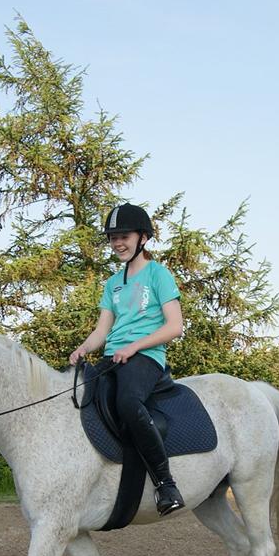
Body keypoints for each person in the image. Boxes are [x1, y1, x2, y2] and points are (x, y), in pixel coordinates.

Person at [69, 203, 186, 516]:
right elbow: (102, 331)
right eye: (113, 238)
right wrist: (83, 349)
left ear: (142, 238)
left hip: (146, 357)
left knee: (127, 403)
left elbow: (175, 326)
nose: (117, 243)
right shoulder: (112, 283)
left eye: (124, 236)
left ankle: (166, 483)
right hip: (113, 357)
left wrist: (134, 347)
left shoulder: (158, 274)